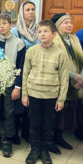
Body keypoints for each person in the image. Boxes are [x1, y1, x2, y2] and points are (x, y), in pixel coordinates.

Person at [22, 20, 69, 164]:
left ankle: (44, 150)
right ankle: (35, 149)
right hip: (34, 94)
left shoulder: (61, 53)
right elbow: (25, 73)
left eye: (45, 31)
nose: (42, 34)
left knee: (48, 123)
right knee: (34, 123)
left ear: (54, 34)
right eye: (40, 31)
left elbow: (64, 77)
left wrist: (61, 99)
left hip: (51, 95)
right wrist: (24, 94)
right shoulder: (31, 51)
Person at [0, 14, 26, 157]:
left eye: (5, 23)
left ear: (11, 25)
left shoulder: (19, 43)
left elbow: (21, 67)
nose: (2, 26)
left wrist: (18, 87)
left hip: (10, 84)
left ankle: (7, 140)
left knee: (9, 112)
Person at [51, 13, 83, 149]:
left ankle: (60, 135)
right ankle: (54, 137)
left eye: (70, 22)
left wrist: (80, 77)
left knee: (69, 111)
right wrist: (73, 76)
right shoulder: (54, 39)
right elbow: (55, 63)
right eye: (65, 23)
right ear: (58, 26)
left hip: (77, 81)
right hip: (60, 81)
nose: (69, 25)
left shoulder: (74, 38)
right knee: (58, 111)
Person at [11, 1, 39, 143]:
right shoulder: (15, 31)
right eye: (27, 9)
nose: (31, 12)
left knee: (31, 103)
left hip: (35, 72)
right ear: (22, 12)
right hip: (20, 70)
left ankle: (27, 133)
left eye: (33, 9)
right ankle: (15, 132)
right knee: (18, 104)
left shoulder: (38, 29)